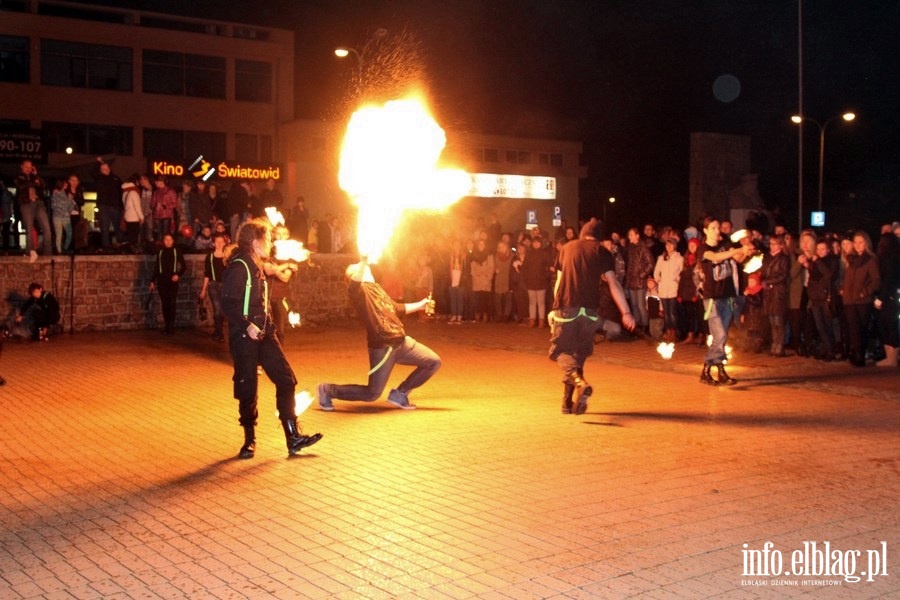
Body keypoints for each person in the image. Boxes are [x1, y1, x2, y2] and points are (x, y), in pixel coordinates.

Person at [222, 218, 322, 457]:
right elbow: (227, 303)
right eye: (266, 240)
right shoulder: (240, 267)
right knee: (248, 388)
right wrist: (247, 326)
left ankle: (293, 437)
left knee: (286, 380)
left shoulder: (257, 264)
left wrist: (281, 268)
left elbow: (271, 270)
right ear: (255, 243)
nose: (270, 243)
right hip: (244, 336)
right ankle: (249, 440)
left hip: (266, 332)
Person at [316, 256, 441, 411]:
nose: (362, 266)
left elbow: (395, 308)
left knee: (433, 361)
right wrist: (363, 261)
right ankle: (328, 390)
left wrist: (421, 306)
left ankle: (400, 394)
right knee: (372, 393)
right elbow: (353, 285)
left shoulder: (376, 288)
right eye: (356, 268)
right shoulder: (359, 292)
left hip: (401, 342)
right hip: (383, 347)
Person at [549, 218, 635, 415]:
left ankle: (579, 383)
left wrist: (554, 309)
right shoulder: (602, 251)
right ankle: (567, 402)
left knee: (560, 351)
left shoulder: (567, 248)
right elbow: (613, 283)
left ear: (582, 233)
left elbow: (559, 281)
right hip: (589, 312)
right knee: (578, 356)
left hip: (567, 308)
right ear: (598, 236)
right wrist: (626, 313)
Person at [698, 217, 748, 385]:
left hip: (727, 296)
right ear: (705, 230)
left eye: (718, 227)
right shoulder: (703, 248)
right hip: (712, 298)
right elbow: (715, 258)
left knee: (722, 336)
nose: (717, 230)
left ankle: (716, 371)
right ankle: (707, 369)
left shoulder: (726, 245)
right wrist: (734, 251)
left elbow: (738, 259)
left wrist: (745, 250)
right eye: (713, 228)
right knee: (719, 335)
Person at [841, 231, 880, 367]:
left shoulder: (870, 260)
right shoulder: (851, 259)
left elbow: (876, 280)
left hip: (863, 301)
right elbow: (848, 278)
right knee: (853, 328)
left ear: (866, 243)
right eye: (855, 242)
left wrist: (864, 292)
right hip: (849, 300)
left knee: (861, 328)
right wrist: (844, 289)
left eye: (860, 242)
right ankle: (856, 353)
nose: (857, 245)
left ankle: (860, 355)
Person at [14, 159, 52, 257]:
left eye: (30, 167)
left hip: (38, 203)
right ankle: (29, 252)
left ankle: (48, 253)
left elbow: (44, 186)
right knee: (29, 229)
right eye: (26, 167)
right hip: (26, 203)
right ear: (21, 167)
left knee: (46, 227)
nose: (28, 169)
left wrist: (36, 175)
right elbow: (21, 185)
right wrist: (33, 182)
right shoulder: (18, 176)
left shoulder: (34, 176)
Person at [760, 234, 790, 357]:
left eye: (774, 244)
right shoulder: (766, 258)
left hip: (778, 292)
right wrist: (763, 281)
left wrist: (769, 282)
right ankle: (774, 345)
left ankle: (780, 346)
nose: (771, 246)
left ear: (780, 245)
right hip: (769, 292)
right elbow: (763, 271)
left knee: (778, 320)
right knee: (772, 320)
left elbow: (783, 275)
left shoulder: (784, 258)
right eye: (771, 244)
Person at [150, 233, 185, 335]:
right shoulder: (160, 252)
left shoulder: (176, 251)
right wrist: (152, 281)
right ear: (163, 241)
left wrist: (178, 275)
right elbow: (157, 267)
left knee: (172, 303)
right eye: (166, 239)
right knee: (165, 304)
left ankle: (171, 327)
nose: (168, 241)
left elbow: (183, 266)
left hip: (172, 281)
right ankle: (167, 326)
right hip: (162, 281)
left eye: (170, 239)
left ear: (173, 241)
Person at [199, 232, 228, 342]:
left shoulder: (227, 255)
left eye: (221, 241)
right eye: (217, 241)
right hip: (214, 285)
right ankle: (220, 334)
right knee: (217, 309)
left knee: (223, 311)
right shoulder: (210, 257)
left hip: (226, 286)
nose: (219, 243)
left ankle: (217, 330)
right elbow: (207, 274)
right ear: (214, 243)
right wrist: (203, 290)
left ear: (224, 242)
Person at [653, 236, 683, 342]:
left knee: (672, 312)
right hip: (663, 288)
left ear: (675, 246)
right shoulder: (661, 258)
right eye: (667, 244)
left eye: (671, 244)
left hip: (673, 288)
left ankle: (673, 332)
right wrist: (658, 279)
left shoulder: (679, 258)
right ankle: (667, 331)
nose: (668, 247)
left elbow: (682, 272)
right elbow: (656, 271)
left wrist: (677, 279)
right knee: (666, 312)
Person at [93, 157, 123, 249]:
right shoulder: (99, 178)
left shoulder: (115, 178)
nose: (106, 170)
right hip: (104, 206)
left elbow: (121, 190)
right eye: (103, 169)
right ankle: (106, 246)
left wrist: (121, 205)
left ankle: (122, 245)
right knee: (104, 227)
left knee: (118, 227)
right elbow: (92, 172)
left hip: (115, 206)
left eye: (107, 168)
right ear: (100, 170)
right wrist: (99, 163)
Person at [50, 178, 77, 254]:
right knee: (59, 234)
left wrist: (71, 201)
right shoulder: (55, 193)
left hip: (66, 216)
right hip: (57, 217)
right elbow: (54, 205)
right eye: (65, 183)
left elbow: (70, 207)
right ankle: (59, 251)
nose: (66, 185)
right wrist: (68, 202)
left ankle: (65, 248)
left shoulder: (67, 194)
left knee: (69, 233)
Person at [121, 176, 144, 253]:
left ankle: (130, 248)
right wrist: (141, 217)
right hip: (134, 217)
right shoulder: (134, 192)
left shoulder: (125, 191)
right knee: (134, 235)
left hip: (127, 216)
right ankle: (133, 249)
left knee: (130, 234)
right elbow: (137, 206)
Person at [151, 176, 177, 243]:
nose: (155, 183)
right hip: (157, 216)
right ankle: (159, 247)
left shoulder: (170, 191)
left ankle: (166, 246)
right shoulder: (155, 192)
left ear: (162, 182)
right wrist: (155, 206)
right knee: (158, 234)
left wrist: (165, 206)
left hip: (167, 216)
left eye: (157, 181)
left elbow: (175, 203)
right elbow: (152, 204)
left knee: (166, 233)